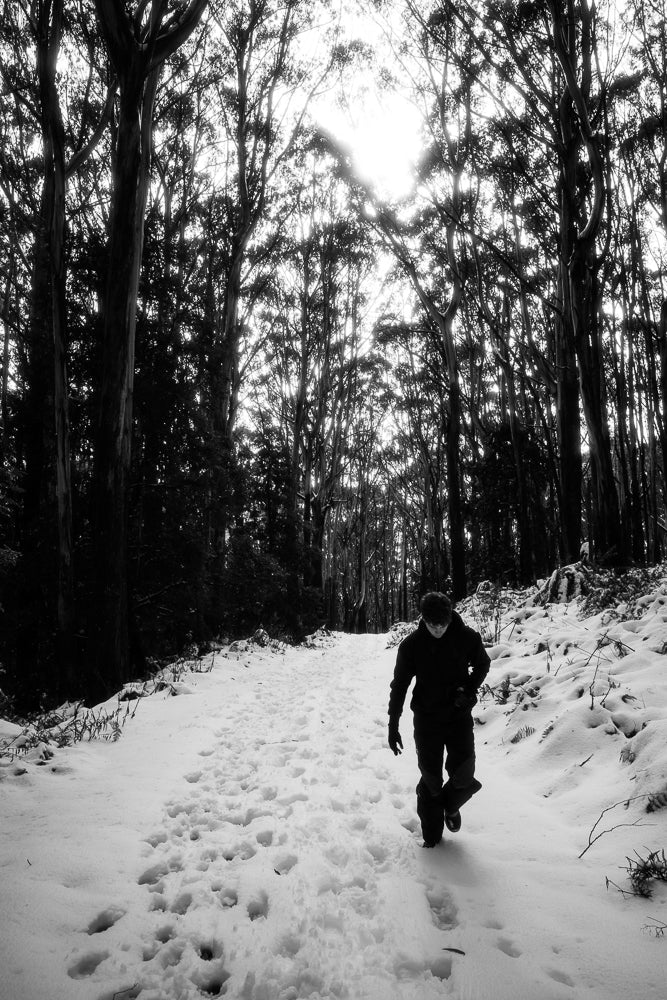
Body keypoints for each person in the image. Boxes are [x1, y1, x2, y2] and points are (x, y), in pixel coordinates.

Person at [388, 591, 490, 847]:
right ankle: (432, 832)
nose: (437, 629)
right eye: (432, 624)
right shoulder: (411, 645)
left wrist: (468, 690)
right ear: (423, 619)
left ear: (449, 618)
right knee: (431, 779)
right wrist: (393, 724)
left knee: (464, 773)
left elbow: (483, 664)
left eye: (442, 624)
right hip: (427, 719)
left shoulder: (467, 638)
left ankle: (451, 807)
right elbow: (399, 685)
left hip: (458, 717)